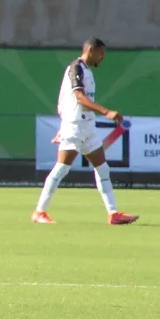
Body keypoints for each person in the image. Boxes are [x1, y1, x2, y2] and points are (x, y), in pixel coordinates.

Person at [32, 38, 138, 225]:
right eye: (100, 53)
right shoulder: (76, 68)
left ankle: (113, 214)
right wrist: (105, 111)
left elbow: (68, 101)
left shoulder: (88, 71)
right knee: (62, 168)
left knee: (103, 168)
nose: (102, 57)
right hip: (75, 126)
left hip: (87, 126)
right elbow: (79, 98)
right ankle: (39, 211)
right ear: (90, 50)